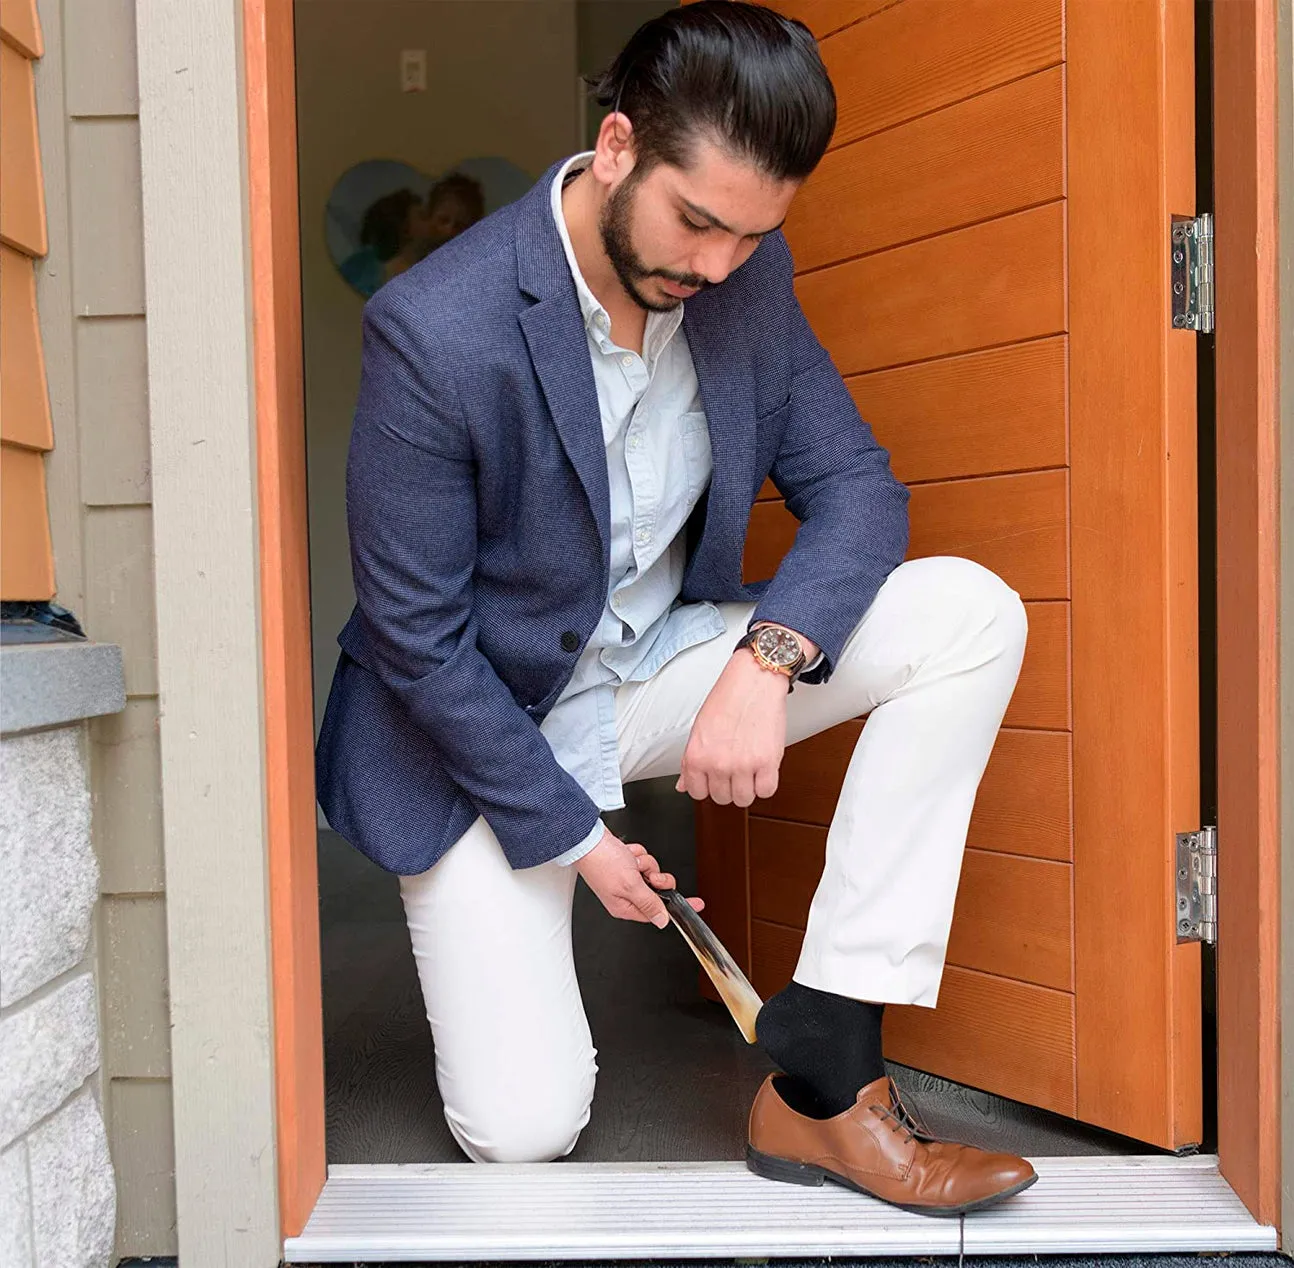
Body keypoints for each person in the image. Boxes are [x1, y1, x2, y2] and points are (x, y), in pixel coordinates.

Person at [316, 0, 1036, 1216]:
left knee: (968, 611)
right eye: (696, 220)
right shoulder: (436, 330)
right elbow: (418, 644)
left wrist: (767, 658)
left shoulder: (745, 281)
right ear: (614, 149)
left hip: (656, 668)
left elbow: (856, 488)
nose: (713, 267)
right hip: (479, 730)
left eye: (751, 238)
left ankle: (826, 1055)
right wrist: (584, 842)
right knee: (523, 1127)